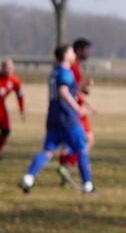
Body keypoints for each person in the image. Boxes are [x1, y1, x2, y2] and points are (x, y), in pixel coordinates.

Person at [20, 44, 94, 194]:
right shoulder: (66, 72)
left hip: (53, 117)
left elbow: (69, 89)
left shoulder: (54, 72)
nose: (74, 54)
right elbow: (63, 91)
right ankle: (88, 185)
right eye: (72, 52)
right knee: (81, 148)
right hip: (67, 118)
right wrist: (77, 108)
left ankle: (28, 178)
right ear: (65, 55)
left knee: (48, 151)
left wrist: (82, 86)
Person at [57, 37, 97, 186]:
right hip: (74, 109)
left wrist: (85, 90)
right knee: (86, 141)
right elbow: (70, 90)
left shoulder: (75, 66)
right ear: (79, 50)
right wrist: (83, 91)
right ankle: (68, 166)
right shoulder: (72, 68)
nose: (89, 53)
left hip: (75, 107)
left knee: (72, 143)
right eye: (87, 50)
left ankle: (66, 169)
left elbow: (75, 89)